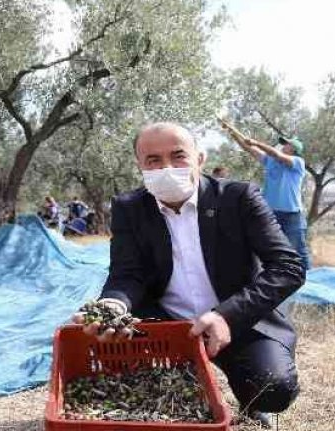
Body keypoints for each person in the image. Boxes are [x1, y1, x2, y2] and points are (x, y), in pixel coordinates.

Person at [73, 123, 305, 428]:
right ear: (139, 166)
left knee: (272, 389)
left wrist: (226, 315)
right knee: (149, 394)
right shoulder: (130, 208)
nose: (166, 167)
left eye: (178, 156)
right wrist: (113, 305)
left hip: (238, 319)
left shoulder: (238, 198)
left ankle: (251, 401)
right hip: (166, 322)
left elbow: (288, 267)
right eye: (153, 160)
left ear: (200, 158)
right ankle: (191, 382)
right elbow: (127, 273)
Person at [220, 121, 311, 270]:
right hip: (270, 212)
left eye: (287, 144)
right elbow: (248, 148)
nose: (283, 145)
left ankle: (308, 280)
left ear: (294, 149)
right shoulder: (270, 161)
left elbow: (276, 154)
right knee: (268, 247)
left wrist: (257, 142)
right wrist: (232, 132)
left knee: (298, 248)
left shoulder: (297, 163)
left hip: (292, 215)